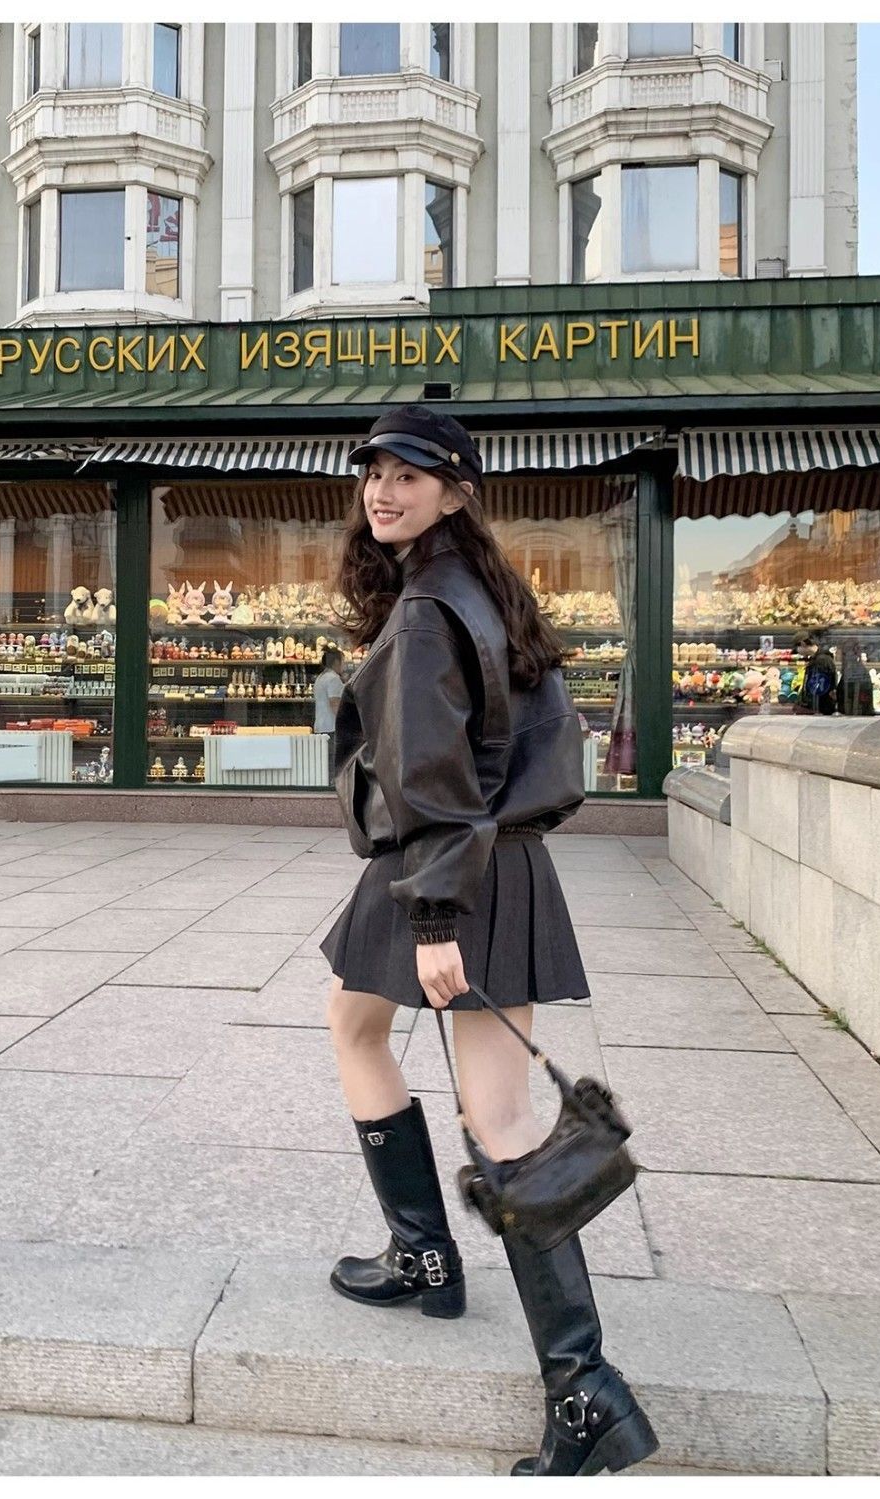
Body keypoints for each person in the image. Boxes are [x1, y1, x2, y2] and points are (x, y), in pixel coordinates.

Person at [319, 405, 658, 1478]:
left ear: (456, 491)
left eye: (410, 475)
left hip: (449, 867)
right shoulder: (485, 587)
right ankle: (423, 1253)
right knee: (354, 1022)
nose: (384, 490)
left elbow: (432, 774)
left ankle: (583, 1388)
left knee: (501, 1122)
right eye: (375, 470)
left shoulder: (429, 609)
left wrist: (435, 918)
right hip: (481, 858)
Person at [313, 646, 345, 784]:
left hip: (320, 726)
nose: (344, 666)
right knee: (333, 762)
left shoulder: (320, 678)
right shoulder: (333, 679)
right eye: (343, 662)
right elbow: (335, 703)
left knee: (324, 762)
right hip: (332, 727)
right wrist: (344, 722)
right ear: (336, 662)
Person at [796, 633, 838, 715]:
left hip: (820, 710)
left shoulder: (821, 661)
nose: (797, 651)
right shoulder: (820, 659)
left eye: (797, 648)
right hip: (820, 709)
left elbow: (819, 689)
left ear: (802, 644)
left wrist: (809, 707)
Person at [836, 635, 875, 717]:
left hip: (856, 715)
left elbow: (856, 697)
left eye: (845, 652)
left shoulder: (856, 671)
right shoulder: (850, 670)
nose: (842, 656)